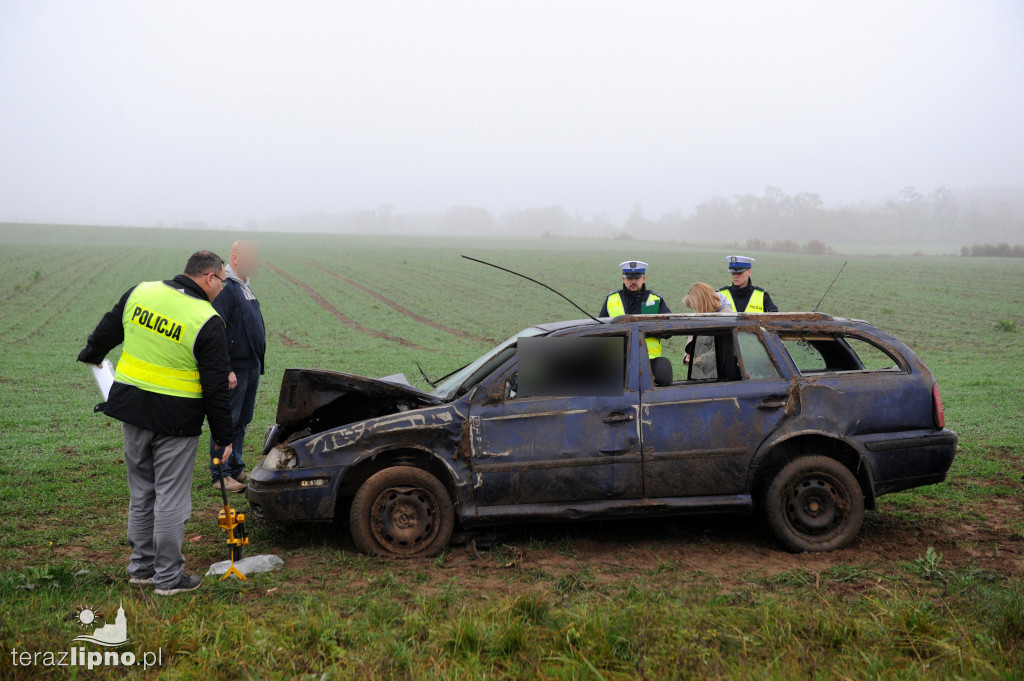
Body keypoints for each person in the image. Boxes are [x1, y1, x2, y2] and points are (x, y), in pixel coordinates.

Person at [77, 251, 235, 596]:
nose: (222, 289)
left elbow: (105, 333)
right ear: (210, 278)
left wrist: (91, 354)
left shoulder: (142, 292)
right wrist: (224, 437)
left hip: (132, 414)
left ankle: (141, 569)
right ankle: (168, 578)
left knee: (142, 491)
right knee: (171, 498)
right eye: (222, 282)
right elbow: (216, 387)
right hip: (176, 422)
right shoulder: (206, 319)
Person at [209, 240, 266, 493]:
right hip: (236, 369)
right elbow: (217, 329)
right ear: (234, 258)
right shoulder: (227, 288)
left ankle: (236, 466)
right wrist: (227, 367)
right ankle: (220, 475)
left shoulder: (245, 286)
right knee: (227, 421)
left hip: (251, 366)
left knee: (242, 420)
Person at [598, 260, 671, 358]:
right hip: (618, 360)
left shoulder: (656, 299)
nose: (633, 281)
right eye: (629, 278)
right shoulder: (611, 299)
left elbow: (669, 330)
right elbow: (600, 330)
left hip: (648, 361)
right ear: (623, 279)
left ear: (643, 278)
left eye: (637, 278)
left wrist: (653, 329)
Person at [682, 282, 733, 377]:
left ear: (702, 302)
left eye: (696, 306)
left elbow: (724, 348)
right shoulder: (702, 314)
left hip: (718, 375)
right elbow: (692, 338)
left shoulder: (726, 317)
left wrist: (700, 359)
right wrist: (688, 355)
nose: (696, 310)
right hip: (700, 373)